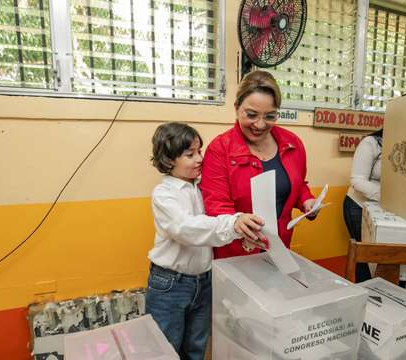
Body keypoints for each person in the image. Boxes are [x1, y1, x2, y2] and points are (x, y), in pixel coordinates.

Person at [145, 122, 266, 360]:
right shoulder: (164, 194)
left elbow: (217, 218)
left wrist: (243, 228)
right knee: (165, 349)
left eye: (199, 151)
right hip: (170, 284)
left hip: (203, 281)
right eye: (190, 154)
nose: (200, 158)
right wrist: (232, 224)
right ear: (169, 160)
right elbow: (187, 229)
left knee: (196, 347)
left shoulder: (202, 188)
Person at [200, 70, 319, 259]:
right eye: (252, 114)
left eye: (270, 116)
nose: (260, 124)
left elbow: (297, 184)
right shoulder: (220, 148)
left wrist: (307, 200)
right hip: (236, 253)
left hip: (279, 249)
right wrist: (237, 221)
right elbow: (216, 204)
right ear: (237, 107)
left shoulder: (292, 144)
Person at [342, 129, 383, 282]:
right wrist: (389, 197)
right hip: (359, 207)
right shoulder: (371, 143)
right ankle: (366, 297)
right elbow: (357, 180)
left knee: (392, 258)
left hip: (388, 210)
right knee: (364, 259)